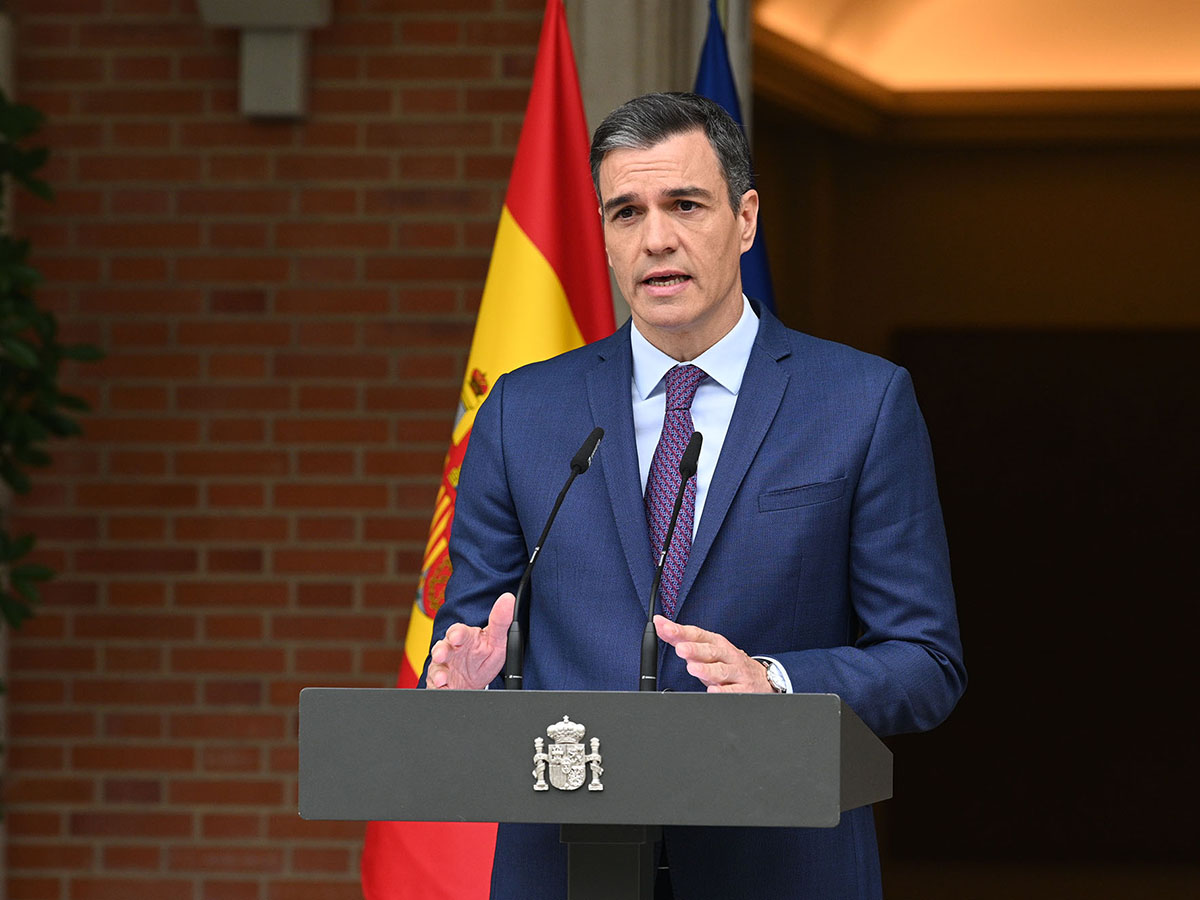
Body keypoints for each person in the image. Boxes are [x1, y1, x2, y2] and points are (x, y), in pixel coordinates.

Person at [423, 92, 965, 899]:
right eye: (626, 212)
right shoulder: (521, 411)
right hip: (567, 867)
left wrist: (775, 683)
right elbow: (477, 627)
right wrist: (466, 681)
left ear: (745, 220)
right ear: (604, 238)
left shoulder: (861, 401)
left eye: (685, 205)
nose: (657, 239)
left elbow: (924, 662)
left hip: (779, 866)